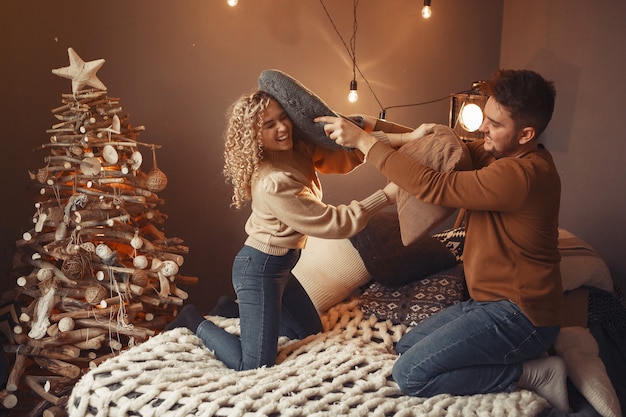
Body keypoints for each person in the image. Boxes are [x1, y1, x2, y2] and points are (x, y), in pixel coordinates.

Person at [315, 69, 570, 411]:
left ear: (526, 134)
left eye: (494, 124)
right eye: (486, 118)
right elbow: (450, 147)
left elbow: (435, 186)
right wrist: (400, 135)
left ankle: (534, 373)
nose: (483, 128)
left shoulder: (521, 176)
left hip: (522, 316)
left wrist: (365, 143)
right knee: (408, 348)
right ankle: (510, 355)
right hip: (488, 303)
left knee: (411, 375)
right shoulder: (505, 156)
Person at [166, 90, 397, 371]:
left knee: (309, 333)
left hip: (284, 266)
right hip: (259, 269)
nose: (282, 128)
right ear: (254, 135)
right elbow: (336, 222)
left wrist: (391, 139)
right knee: (252, 364)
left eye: (283, 118)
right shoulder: (272, 182)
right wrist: (385, 196)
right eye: (269, 125)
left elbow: (345, 150)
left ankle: (232, 308)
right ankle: (193, 320)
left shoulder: (297, 149)